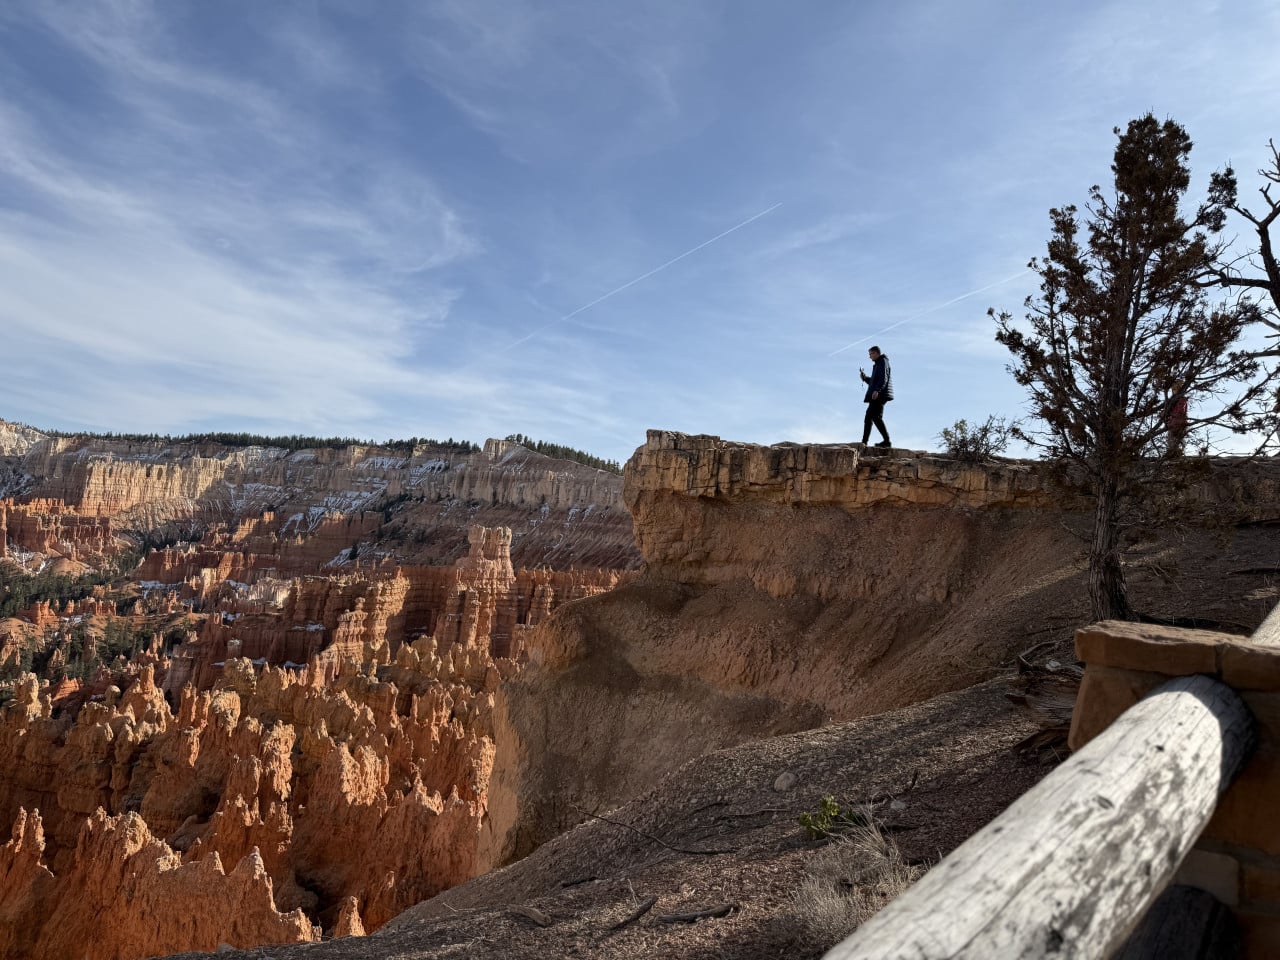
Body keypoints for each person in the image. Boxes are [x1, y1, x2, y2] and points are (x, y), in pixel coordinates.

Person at [859, 346, 893, 448]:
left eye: (871, 354)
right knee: (870, 416)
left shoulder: (882, 361)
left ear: (876, 353)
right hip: (879, 393)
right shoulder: (878, 363)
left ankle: (886, 441)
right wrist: (865, 378)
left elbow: (884, 378)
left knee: (874, 416)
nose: (870, 357)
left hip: (880, 394)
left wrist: (877, 390)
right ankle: (864, 442)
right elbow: (874, 382)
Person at [1164, 379, 1188, 456]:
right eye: (1173, 389)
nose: (1173, 391)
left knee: (1177, 440)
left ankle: (1176, 454)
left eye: (1175, 389)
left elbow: (1181, 411)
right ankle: (1173, 453)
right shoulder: (1173, 399)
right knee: (1172, 440)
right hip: (1173, 422)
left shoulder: (1181, 399)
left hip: (1177, 422)